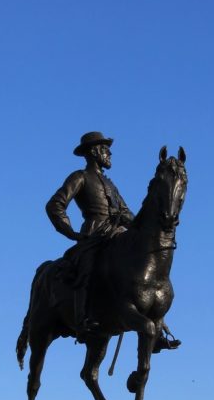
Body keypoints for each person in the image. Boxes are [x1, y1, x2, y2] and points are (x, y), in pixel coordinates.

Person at [46, 131, 179, 350]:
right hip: (94, 235)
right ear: (94, 151)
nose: (109, 154)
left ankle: (156, 324)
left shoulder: (110, 185)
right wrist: (71, 233)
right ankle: (82, 320)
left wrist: (146, 229)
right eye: (105, 149)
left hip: (116, 234)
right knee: (87, 267)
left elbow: (127, 214)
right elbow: (55, 205)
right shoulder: (79, 177)